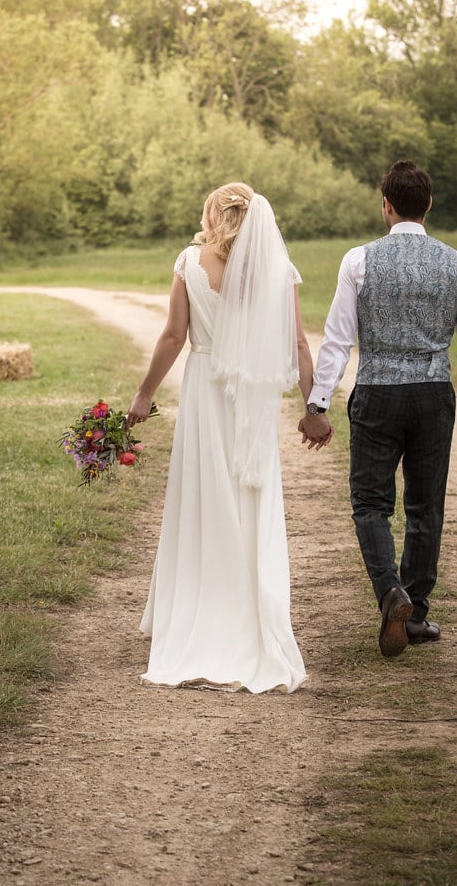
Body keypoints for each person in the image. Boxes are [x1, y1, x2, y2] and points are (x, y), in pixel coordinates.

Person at [126, 182, 329, 693]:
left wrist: (143, 395)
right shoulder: (278, 270)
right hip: (249, 401)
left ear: (212, 214)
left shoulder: (190, 262)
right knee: (248, 495)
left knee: (202, 494)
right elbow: (298, 343)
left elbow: (174, 336)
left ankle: (198, 602)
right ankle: (248, 608)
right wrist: (313, 408)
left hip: (205, 389)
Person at [299, 159, 457, 658]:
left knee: (370, 503)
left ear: (386, 205)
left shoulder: (358, 261)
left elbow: (339, 339)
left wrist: (318, 401)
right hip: (433, 395)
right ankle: (417, 615)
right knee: (425, 507)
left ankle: (392, 593)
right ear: (428, 205)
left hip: (378, 394)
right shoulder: (456, 262)